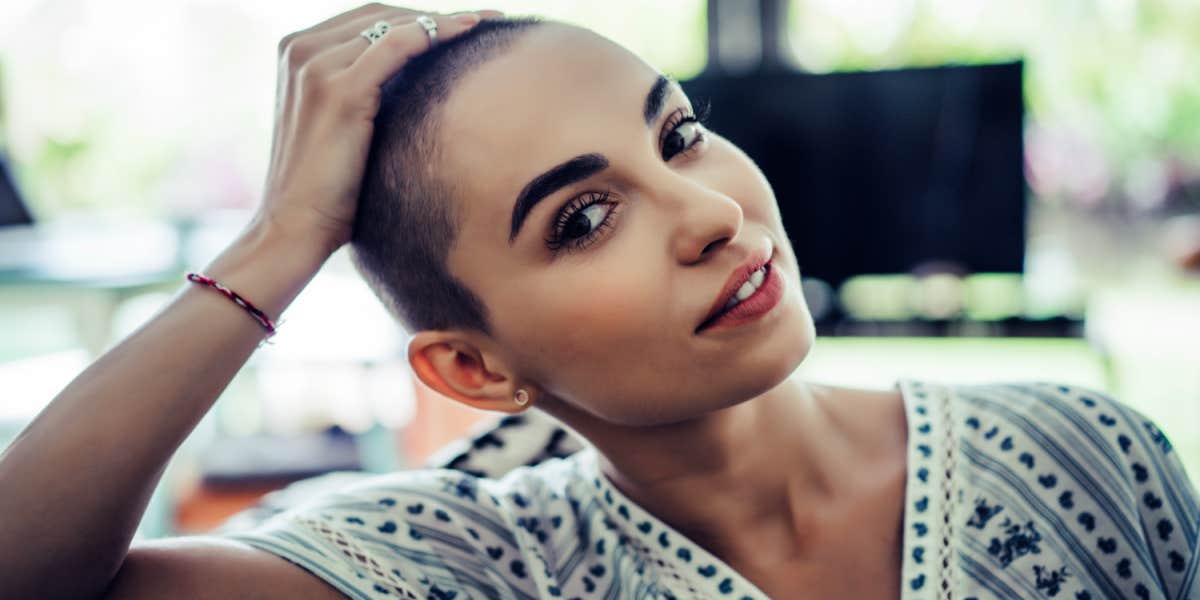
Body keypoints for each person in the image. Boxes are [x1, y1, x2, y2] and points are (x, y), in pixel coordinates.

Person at [1, 5, 1197, 599]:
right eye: (582, 218)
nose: (712, 213)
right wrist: (276, 242)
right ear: (473, 372)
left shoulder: (1089, 453)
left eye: (680, 135)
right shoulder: (478, 563)